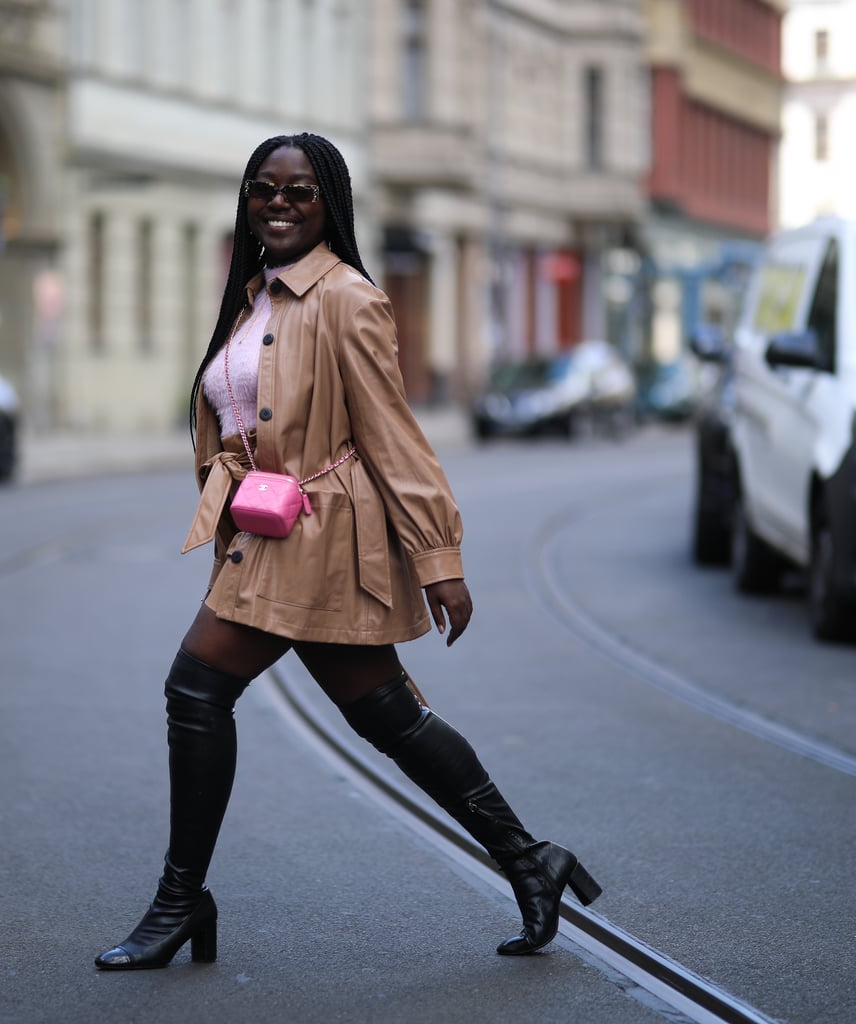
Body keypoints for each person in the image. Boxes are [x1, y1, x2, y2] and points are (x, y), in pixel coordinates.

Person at [94, 132, 600, 971]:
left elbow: (392, 434)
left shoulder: (347, 298)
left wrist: (440, 556)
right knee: (381, 716)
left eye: (299, 192)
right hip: (270, 536)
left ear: (331, 204)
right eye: (265, 190)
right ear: (248, 201)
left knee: (204, 688)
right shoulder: (257, 296)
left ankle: (181, 903)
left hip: (326, 540)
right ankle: (530, 859)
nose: (280, 204)